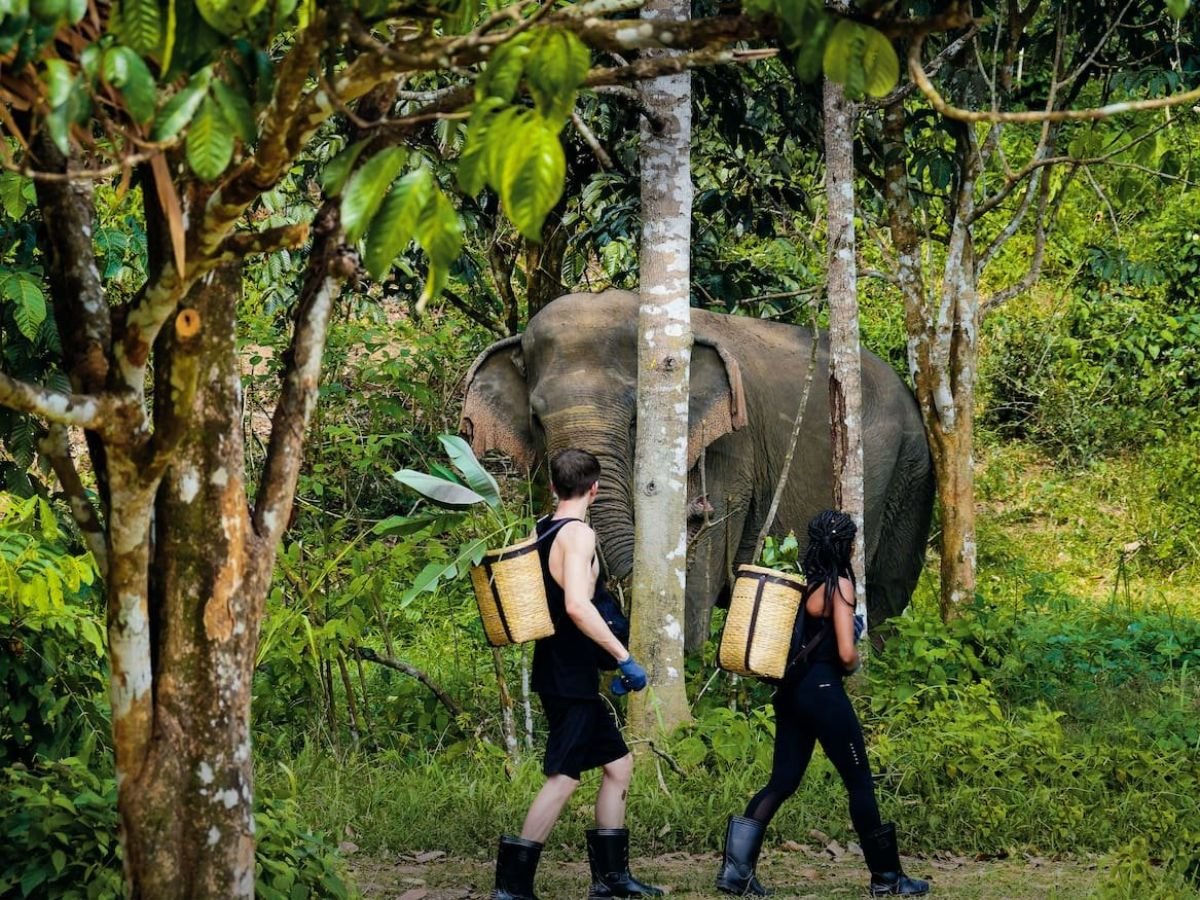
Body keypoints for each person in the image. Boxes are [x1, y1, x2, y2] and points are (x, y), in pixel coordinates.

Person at [715, 510, 930, 897]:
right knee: (860, 783)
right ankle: (888, 879)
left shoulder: (802, 586)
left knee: (781, 782)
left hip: (791, 693)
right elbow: (846, 654)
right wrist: (856, 657)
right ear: (847, 545)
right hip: (825, 693)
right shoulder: (839, 586)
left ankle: (736, 872)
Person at [491, 448, 663, 900]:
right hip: (568, 673)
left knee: (619, 765)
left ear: (552, 487)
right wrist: (623, 656)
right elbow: (576, 606)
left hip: (561, 667)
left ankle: (610, 880)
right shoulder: (578, 535)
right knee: (564, 777)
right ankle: (512, 886)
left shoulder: (541, 530)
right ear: (595, 489)